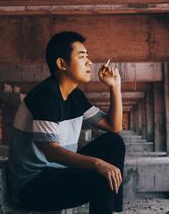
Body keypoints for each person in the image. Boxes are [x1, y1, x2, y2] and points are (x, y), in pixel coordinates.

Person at [7, 31, 125, 214]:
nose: (89, 62)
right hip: (32, 185)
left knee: (114, 142)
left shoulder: (75, 96)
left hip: (58, 171)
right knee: (101, 175)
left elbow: (114, 127)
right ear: (62, 64)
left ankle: (114, 209)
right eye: (82, 56)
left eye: (88, 56)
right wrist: (97, 163)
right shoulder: (46, 95)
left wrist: (114, 86)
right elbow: (52, 152)